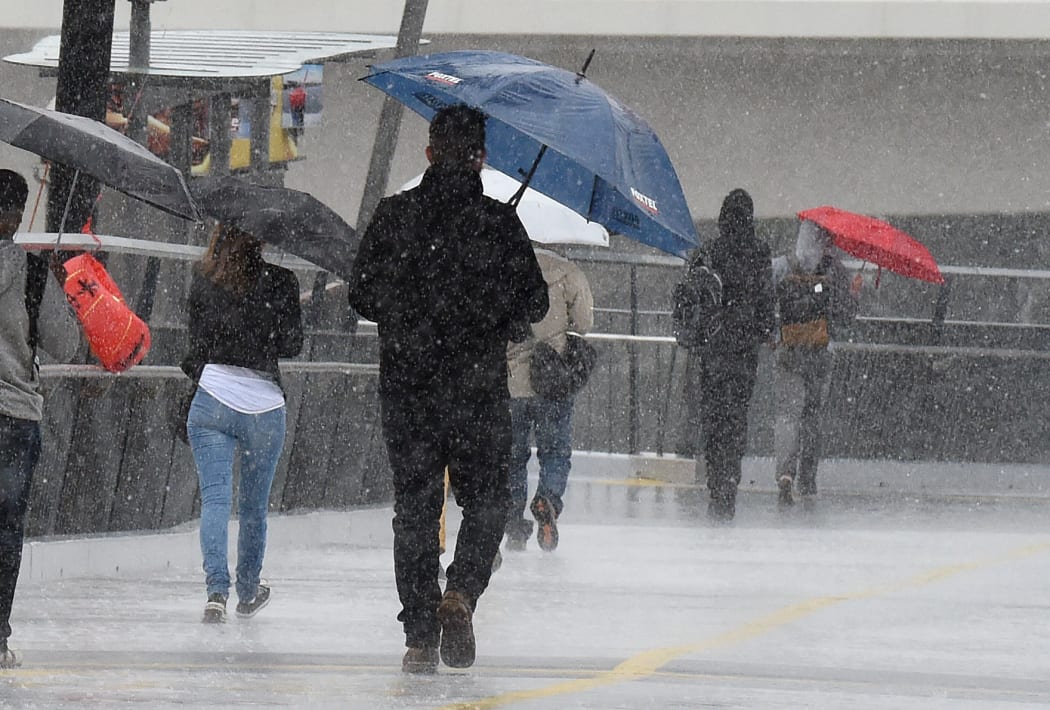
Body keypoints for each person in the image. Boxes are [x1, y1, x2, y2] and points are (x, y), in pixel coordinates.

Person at [348, 104, 548, 674]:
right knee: (486, 500)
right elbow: (533, 304)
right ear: (480, 158)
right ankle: (459, 592)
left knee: (415, 509)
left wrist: (408, 311)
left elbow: (360, 295)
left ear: (430, 152)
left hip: (408, 390)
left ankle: (418, 634)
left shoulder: (393, 216)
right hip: (478, 392)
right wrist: (493, 304)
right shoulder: (500, 224)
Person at [181, 224, 303, 624]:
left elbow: (195, 342)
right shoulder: (282, 281)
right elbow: (291, 345)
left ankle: (216, 590)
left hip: (213, 397)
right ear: (262, 239)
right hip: (264, 405)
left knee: (215, 501)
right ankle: (248, 591)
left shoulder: (204, 279)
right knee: (254, 508)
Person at [0, 169, 77, 668]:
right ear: (18, 213)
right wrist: (55, 280)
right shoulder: (30, 272)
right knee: (6, 528)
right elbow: (66, 343)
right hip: (13, 416)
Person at [504, 245, 593, 552]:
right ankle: (548, 500)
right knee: (555, 451)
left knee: (512, 457)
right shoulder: (566, 271)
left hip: (512, 382)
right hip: (551, 378)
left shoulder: (501, 268)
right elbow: (584, 323)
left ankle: (513, 523)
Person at [697, 188, 775, 521]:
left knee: (714, 418)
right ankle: (730, 482)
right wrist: (766, 329)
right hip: (744, 350)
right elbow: (765, 296)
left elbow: (698, 295)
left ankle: (716, 483)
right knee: (736, 419)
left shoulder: (711, 251)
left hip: (714, 346)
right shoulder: (759, 253)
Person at [772, 219, 859, 507]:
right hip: (820, 352)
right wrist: (854, 294)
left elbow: (766, 300)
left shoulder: (783, 266)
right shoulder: (836, 270)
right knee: (812, 417)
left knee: (787, 414)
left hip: (789, 348)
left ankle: (785, 473)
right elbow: (845, 318)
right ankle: (808, 479)